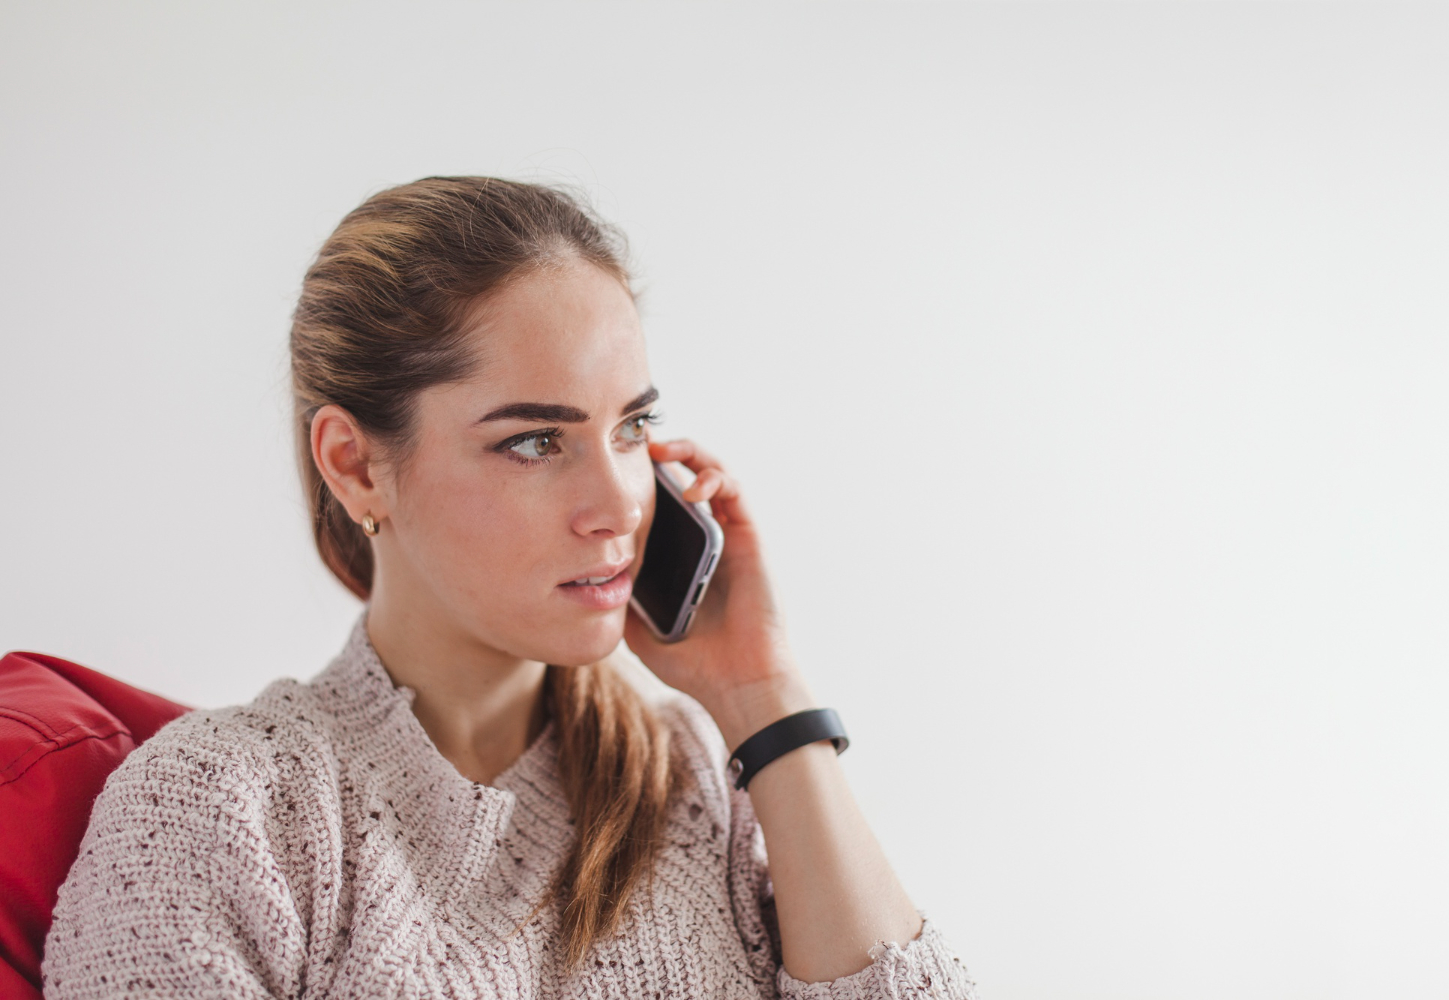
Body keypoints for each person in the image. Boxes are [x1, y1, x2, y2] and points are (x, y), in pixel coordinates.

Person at [42, 177, 979, 998]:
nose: (622, 501)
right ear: (356, 466)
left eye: (631, 427)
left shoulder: (693, 776)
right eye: (534, 441)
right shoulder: (223, 809)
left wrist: (762, 695)